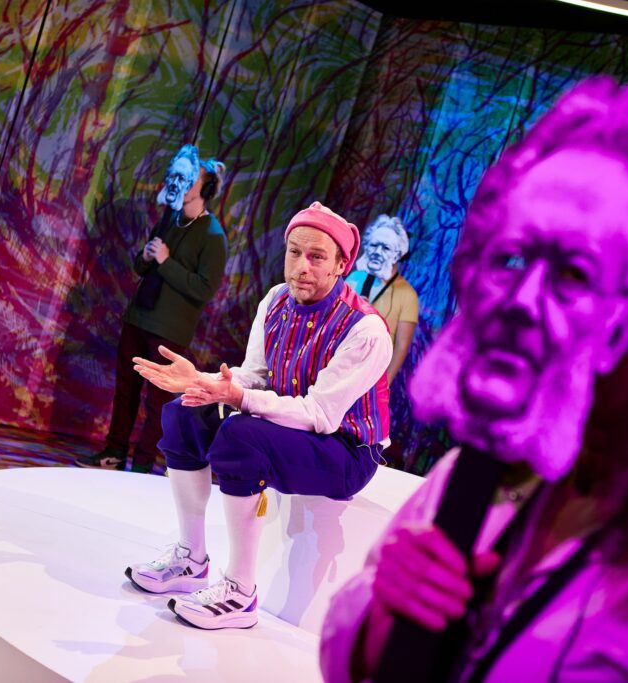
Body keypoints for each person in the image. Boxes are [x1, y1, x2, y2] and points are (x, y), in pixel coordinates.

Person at [319, 77, 628, 682]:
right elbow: (347, 651)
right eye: (514, 261)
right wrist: (382, 617)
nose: (523, 305)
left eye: (578, 275)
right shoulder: (470, 479)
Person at [125, 201, 392, 629]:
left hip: (346, 449)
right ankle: (191, 558)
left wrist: (238, 398)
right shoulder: (276, 300)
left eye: (317, 257)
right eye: (294, 252)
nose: (301, 266)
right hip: (291, 424)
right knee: (183, 413)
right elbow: (255, 377)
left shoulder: (365, 329)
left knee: (241, 435)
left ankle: (240, 590)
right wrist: (202, 381)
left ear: (341, 265)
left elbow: (320, 414)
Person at [76, 146, 229, 472]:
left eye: (191, 179)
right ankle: (114, 452)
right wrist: (147, 258)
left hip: (168, 331)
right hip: (139, 317)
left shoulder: (213, 235)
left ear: (205, 187)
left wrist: (166, 262)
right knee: (126, 391)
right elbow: (141, 267)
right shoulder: (170, 218)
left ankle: (142, 466)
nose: (181, 183)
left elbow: (204, 289)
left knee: (157, 401)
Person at [345, 215, 419, 385]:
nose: (377, 252)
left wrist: (385, 384)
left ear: (397, 254)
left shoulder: (408, 295)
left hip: (369, 376)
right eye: (374, 245)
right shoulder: (354, 278)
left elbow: (401, 346)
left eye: (385, 248)